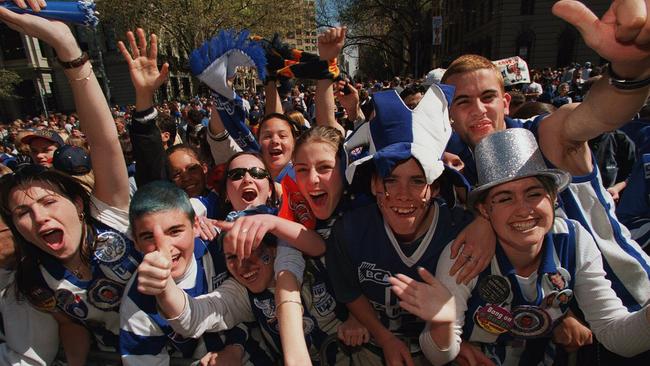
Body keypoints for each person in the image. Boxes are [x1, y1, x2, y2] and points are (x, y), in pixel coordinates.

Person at [441, 1, 650, 348]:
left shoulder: (545, 136)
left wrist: (629, 69)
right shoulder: (459, 169)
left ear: (506, 103)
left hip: (631, 301)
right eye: (463, 102)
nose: (478, 109)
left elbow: (596, 114)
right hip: (559, 333)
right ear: (450, 114)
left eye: (488, 97)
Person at [392, 129, 650, 365]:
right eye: (505, 198)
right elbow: (439, 355)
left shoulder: (572, 239)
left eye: (534, 194)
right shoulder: (463, 253)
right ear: (485, 209)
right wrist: (443, 320)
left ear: (553, 198)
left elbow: (615, 335)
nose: (523, 209)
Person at [0, 2, 139, 364]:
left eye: (48, 203)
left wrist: (66, 48)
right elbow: (71, 326)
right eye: (23, 212)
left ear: (78, 205)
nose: (38, 217)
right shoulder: (36, 278)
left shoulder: (111, 216)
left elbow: (105, 142)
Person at [119, 181, 271, 365]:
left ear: (196, 226)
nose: (164, 247)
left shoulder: (221, 249)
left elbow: (250, 305)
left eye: (174, 231)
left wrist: (235, 348)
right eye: (148, 236)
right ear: (135, 243)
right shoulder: (136, 303)